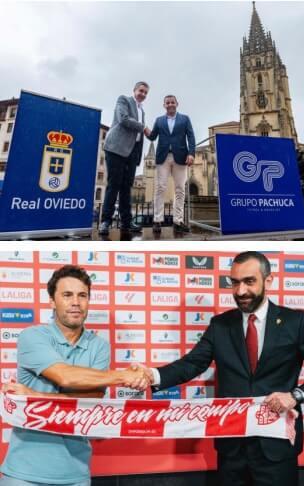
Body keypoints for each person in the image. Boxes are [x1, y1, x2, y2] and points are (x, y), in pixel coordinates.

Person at [133, 251, 304, 485]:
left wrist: (296, 396)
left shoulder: (296, 322)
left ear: (268, 281)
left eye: (249, 281)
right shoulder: (220, 325)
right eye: (235, 282)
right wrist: (153, 375)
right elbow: (193, 363)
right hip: (232, 448)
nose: (240, 291)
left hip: (277, 447)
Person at [0, 265, 150, 486]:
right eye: (67, 295)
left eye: (83, 295)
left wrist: (34, 396)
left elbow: (89, 403)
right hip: (24, 473)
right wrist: (122, 376)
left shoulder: (99, 346)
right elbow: (64, 377)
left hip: (76, 474)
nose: (76, 303)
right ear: (52, 301)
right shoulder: (32, 336)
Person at [99, 81, 151, 237]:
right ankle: (106, 221)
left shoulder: (142, 111)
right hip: (116, 148)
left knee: (126, 188)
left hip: (132, 153)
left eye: (145, 92)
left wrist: (137, 156)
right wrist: (144, 127)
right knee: (113, 185)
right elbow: (124, 119)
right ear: (134, 90)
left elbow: (139, 137)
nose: (143, 94)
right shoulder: (124, 100)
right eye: (141, 91)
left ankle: (126, 221)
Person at [146, 94, 196, 234]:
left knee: (180, 189)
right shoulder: (159, 120)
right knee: (160, 188)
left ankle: (178, 221)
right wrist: (144, 128)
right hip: (163, 158)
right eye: (167, 103)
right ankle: (157, 220)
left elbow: (191, 137)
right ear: (164, 105)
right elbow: (152, 136)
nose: (170, 104)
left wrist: (191, 153)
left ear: (177, 104)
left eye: (172, 102)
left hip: (181, 157)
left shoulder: (185, 119)